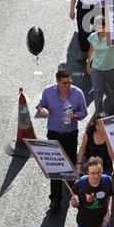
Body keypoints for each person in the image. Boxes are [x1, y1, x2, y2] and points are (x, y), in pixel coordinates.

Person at [36, 70, 87, 210]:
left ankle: (73, 193)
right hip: (54, 134)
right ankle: (55, 199)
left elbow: (84, 112)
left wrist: (75, 115)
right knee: (55, 166)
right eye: (64, 83)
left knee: (70, 163)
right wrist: (42, 110)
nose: (68, 85)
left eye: (70, 81)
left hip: (70, 134)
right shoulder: (48, 91)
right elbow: (40, 104)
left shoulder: (77, 93)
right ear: (57, 82)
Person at [71, 156, 114, 227]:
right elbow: (74, 204)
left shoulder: (107, 180)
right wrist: (73, 202)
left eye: (99, 172)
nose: (96, 176)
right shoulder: (79, 183)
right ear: (87, 172)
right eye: (93, 173)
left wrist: (108, 212)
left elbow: (109, 195)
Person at [86, 16, 114, 115]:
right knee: (97, 92)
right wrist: (88, 63)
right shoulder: (93, 36)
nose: (100, 29)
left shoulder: (111, 36)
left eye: (102, 27)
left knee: (113, 89)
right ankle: (99, 112)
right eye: (98, 27)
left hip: (110, 68)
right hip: (96, 68)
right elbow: (91, 50)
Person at [76, 113, 113, 177]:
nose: (100, 127)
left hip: (105, 168)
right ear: (95, 124)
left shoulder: (110, 135)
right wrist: (79, 165)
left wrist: (107, 139)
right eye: (98, 125)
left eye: (102, 125)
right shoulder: (89, 133)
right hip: (90, 167)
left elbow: (112, 155)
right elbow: (82, 149)